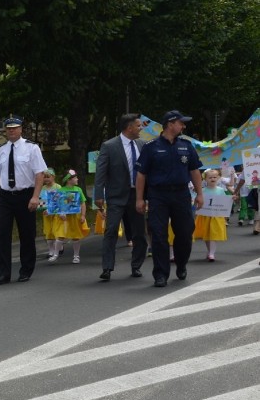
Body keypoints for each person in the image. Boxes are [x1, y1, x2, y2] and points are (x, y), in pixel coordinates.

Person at [135, 110, 203, 287]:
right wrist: (139, 199)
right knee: (158, 234)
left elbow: (194, 170)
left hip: (181, 194)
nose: (183, 126)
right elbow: (141, 174)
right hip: (158, 195)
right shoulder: (151, 147)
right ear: (171, 124)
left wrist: (200, 194)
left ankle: (181, 264)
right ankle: (160, 274)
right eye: (181, 123)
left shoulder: (186, 146)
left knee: (185, 232)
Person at [0, 115, 47, 284]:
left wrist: (36, 197)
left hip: (25, 196)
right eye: (8, 128)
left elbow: (39, 174)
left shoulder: (31, 148)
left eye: (15, 128)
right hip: (5, 197)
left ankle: (26, 270)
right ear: (5, 131)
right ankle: (4, 273)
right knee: (2, 234)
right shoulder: (2, 150)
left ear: (21, 129)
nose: (11, 131)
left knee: (27, 234)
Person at [94, 113, 148, 280]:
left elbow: (147, 171)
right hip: (116, 196)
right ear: (129, 127)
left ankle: (136, 266)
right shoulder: (109, 146)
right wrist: (98, 195)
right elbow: (100, 172)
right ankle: (107, 268)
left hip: (137, 195)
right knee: (111, 231)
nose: (141, 129)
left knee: (139, 233)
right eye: (138, 126)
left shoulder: (143, 145)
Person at [193, 168, 229, 261]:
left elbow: (224, 202)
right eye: (210, 177)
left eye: (214, 177)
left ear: (218, 178)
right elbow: (197, 201)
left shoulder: (220, 190)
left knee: (213, 235)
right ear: (205, 179)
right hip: (205, 216)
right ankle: (209, 251)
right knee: (207, 235)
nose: (212, 179)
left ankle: (212, 253)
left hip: (216, 216)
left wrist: (232, 199)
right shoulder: (203, 191)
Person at [54, 170, 88, 264]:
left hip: (75, 217)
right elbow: (56, 204)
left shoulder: (78, 190)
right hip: (63, 218)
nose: (77, 179)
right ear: (69, 180)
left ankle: (76, 256)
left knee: (76, 236)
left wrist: (83, 215)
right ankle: (55, 254)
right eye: (75, 177)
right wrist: (60, 213)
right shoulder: (61, 190)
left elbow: (82, 203)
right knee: (60, 234)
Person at [38, 168, 61, 259]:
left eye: (48, 177)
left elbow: (60, 201)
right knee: (48, 232)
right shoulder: (42, 188)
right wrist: (42, 209)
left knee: (56, 231)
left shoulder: (57, 187)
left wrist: (54, 210)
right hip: (46, 215)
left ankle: (58, 249)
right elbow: (41, 203)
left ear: (53, 177)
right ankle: (50, 250)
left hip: (56, 214)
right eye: (44, 177)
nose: (46, 179)